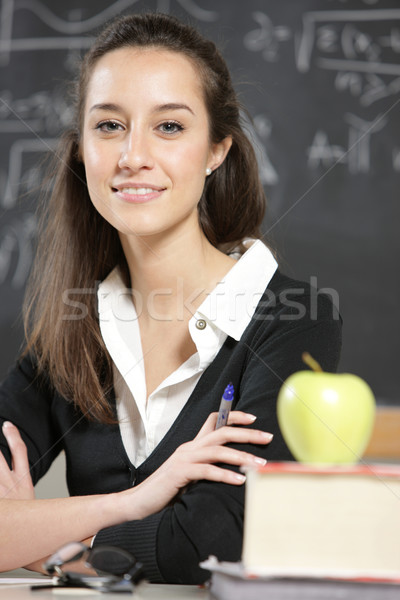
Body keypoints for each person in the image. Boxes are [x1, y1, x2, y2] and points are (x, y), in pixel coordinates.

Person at [0, 12, 341, 584]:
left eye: (169, 127)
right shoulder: (74, 323)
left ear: (217, 150)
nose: (133, 155)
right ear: (81, 149)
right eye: (109, 126)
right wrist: (135, 503)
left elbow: (216, 538)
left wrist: (44, 540)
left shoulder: (293, 320)